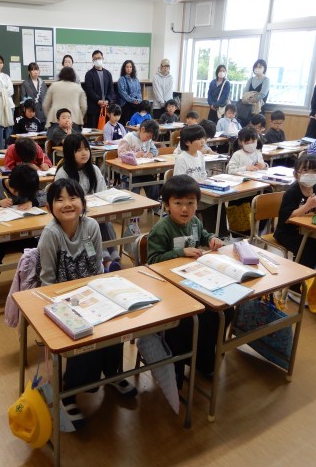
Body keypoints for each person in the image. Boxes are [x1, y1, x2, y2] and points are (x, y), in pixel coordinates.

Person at [38, 179, 136, 428]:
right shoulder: (51, 234)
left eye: (73, 198)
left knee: (115, 323)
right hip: (61, 299)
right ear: (49, 207)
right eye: (59, 199)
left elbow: (97, 267)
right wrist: (70, 303)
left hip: (91, 292)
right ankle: (70, 391)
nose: (67, 204)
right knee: (83, 336)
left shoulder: (91, 226)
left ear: (83, 202)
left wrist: (99, 296)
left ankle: (112, 373)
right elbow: (47, 281)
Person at [147, 174, 227, 383]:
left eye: (190, 203)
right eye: (178, 203)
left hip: (194, 280)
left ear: (197, 204)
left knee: (224, 310)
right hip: (169, 288)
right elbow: (152, 261)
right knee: (195, 319)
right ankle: (181, 362)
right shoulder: (161, 229)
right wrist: (180, 252)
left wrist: (212, 239)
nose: (185, 209)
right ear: (166, 205)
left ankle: (204, 358)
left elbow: (204, 235)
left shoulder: (194, 222)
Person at [0, 165, 45, 293]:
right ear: (12, 184)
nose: (19, 196)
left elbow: (45, 196)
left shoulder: (27, 186)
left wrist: (32, 202)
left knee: (37, 251)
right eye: (18, 193)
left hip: (22, 233)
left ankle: (35, 280)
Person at [54, 133, 121, 270]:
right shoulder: (63, 173)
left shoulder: (94, 170)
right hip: (74, 216)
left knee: (105, 223)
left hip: (95, 210)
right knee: (90, 226)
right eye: (78, 150)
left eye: (86, 149)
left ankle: (114, 257)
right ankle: (106, 261)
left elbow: (102, 193)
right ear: (69, 152)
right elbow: (61, 201)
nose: (84, 153)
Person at [274, 154, 316, 278]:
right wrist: (306, 206)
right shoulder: (292, 192)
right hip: (288, 233)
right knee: (307, 251)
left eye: (315, 170)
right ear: (296, 174)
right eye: (305, 170)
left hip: (307, 231)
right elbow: (287, 218)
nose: (310, 174)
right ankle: (296, 284)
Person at [117, 119, 160, 200]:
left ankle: (155, 204)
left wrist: (151, 153)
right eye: (148, 136)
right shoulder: (129, 137)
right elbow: (121, 153)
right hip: (128, 172)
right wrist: (135, 154)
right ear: (142, 130)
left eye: (150, 138)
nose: (148, 139)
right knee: (135, 187)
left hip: (143, 171)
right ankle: (135, 206)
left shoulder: (148, 140)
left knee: (153, 184)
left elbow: (155, 150)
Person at [83, 50, 116, 129]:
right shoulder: (89, 74)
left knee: (106, 130)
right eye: (95, 59)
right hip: (94, 108)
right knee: (93, 131)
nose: (98, 60)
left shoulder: (108, 74)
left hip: (107, 108)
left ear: (102, 58)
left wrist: (107, 100)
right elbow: (89, 91)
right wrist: (98, 100)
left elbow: (111, 90)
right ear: (93, 60)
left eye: (99, 58)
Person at [239, 59, 270, 126]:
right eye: (256, 67)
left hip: (259, 109)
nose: (257, 68)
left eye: (260, 67)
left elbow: (262, 94)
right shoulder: (250, 79)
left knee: (256, 127)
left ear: (264, 68)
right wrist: (250, 99)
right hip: (247, 109)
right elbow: (245, 93)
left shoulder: (266, 80)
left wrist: (252, 98)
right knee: (245, 127)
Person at [116, 60, 142, 125]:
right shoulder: (122, 79)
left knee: (136, 123)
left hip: (135, 104)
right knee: (127, 123)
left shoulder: (136, 79)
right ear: (124, 68)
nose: (129, 69)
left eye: (130, 67)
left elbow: (139, 91)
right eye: (127, 67)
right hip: (125, 104)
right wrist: (133, 100)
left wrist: (139, 100)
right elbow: (123, 93)